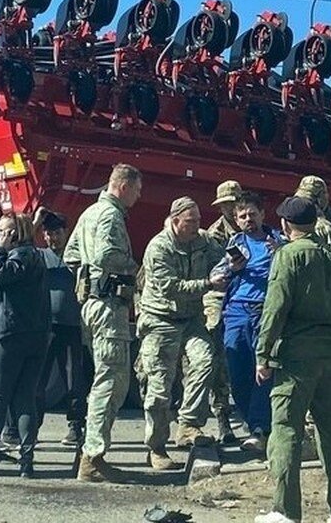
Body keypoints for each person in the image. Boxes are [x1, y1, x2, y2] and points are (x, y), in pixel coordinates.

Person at [254, 196, 331, 523]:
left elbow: (275, 308)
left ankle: (285, 512)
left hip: (296, 359)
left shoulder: (288, 256)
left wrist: (263, 353)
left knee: (286, 431)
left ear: (285, 225)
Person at [64, 163, 141, 482]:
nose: (138, 196)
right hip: (109, 306)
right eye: (137, 190)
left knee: (103, 377)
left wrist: (87, 280)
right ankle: (92, 456)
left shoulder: (88, 214)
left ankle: (91, 453)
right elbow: (106, 255)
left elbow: (70, 255)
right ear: (124, 186)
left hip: (92, 304)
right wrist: (135, 268)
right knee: (111, 380)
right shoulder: (110, 215)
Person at [139, 197, 226, 470]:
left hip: (191, 319)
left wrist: (231, 264)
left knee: (205, 360)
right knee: (159, 386)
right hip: (161, 320)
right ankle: (156, 448)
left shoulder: (203, 240)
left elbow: (221, 259)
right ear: (175, 221)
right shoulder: (159, 247)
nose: (197, 226)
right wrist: (208, 283)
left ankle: (189, 424)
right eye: (191, 221)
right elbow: (170, 288)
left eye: (198, 220)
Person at [0, 213, 51, 478]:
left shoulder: (17, 256)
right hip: (36, 336)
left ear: (15, 233)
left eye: (3, 231)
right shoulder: (38, 256)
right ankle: (26, 461)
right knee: (25, 399)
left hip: (9, 335)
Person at [221, 191, 284, 454]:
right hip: (236, 311)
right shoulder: (234, 244)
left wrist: (280, 254)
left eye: (252, 214)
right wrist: (231, 268)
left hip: (265, 311)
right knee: (238, 373)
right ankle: (253, 425)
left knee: (263, 371)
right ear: (236, 220)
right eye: (243, 216)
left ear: (262, 215)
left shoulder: (279, 241)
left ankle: (259, 429)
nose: (248, 219)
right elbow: (217, 274)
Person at [33, 209, 93, 446]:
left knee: (73, 379)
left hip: (72, 326)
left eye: (57, 233)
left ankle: (75, 426)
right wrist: (36, 221)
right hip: (45, 327)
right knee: (38, 380)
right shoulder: (39, 256)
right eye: (48, 233)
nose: (53, 238)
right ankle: (32, 428)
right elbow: (20, 244)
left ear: (66, 232)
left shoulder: (77, 257)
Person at [205, 179, 243, 443]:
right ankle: (223, 419)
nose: (229, 209)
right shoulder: (214, 235)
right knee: (219, 359)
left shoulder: (254, 229)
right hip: (221, 298)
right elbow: (211, 273)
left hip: (246, 300)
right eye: (225, 205)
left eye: (233, 203)